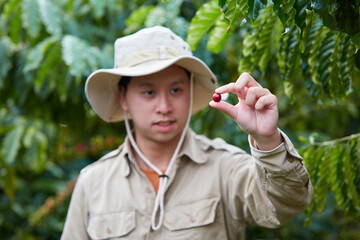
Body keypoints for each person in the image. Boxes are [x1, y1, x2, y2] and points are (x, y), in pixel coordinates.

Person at [61, 26, 313, 240]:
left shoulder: (224, 167)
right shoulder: (93, 183)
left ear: (191, 93)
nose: (164, 107)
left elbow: (283, 206)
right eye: (148, 92)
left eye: (176, 90)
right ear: (123, 98)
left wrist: (267, 139)